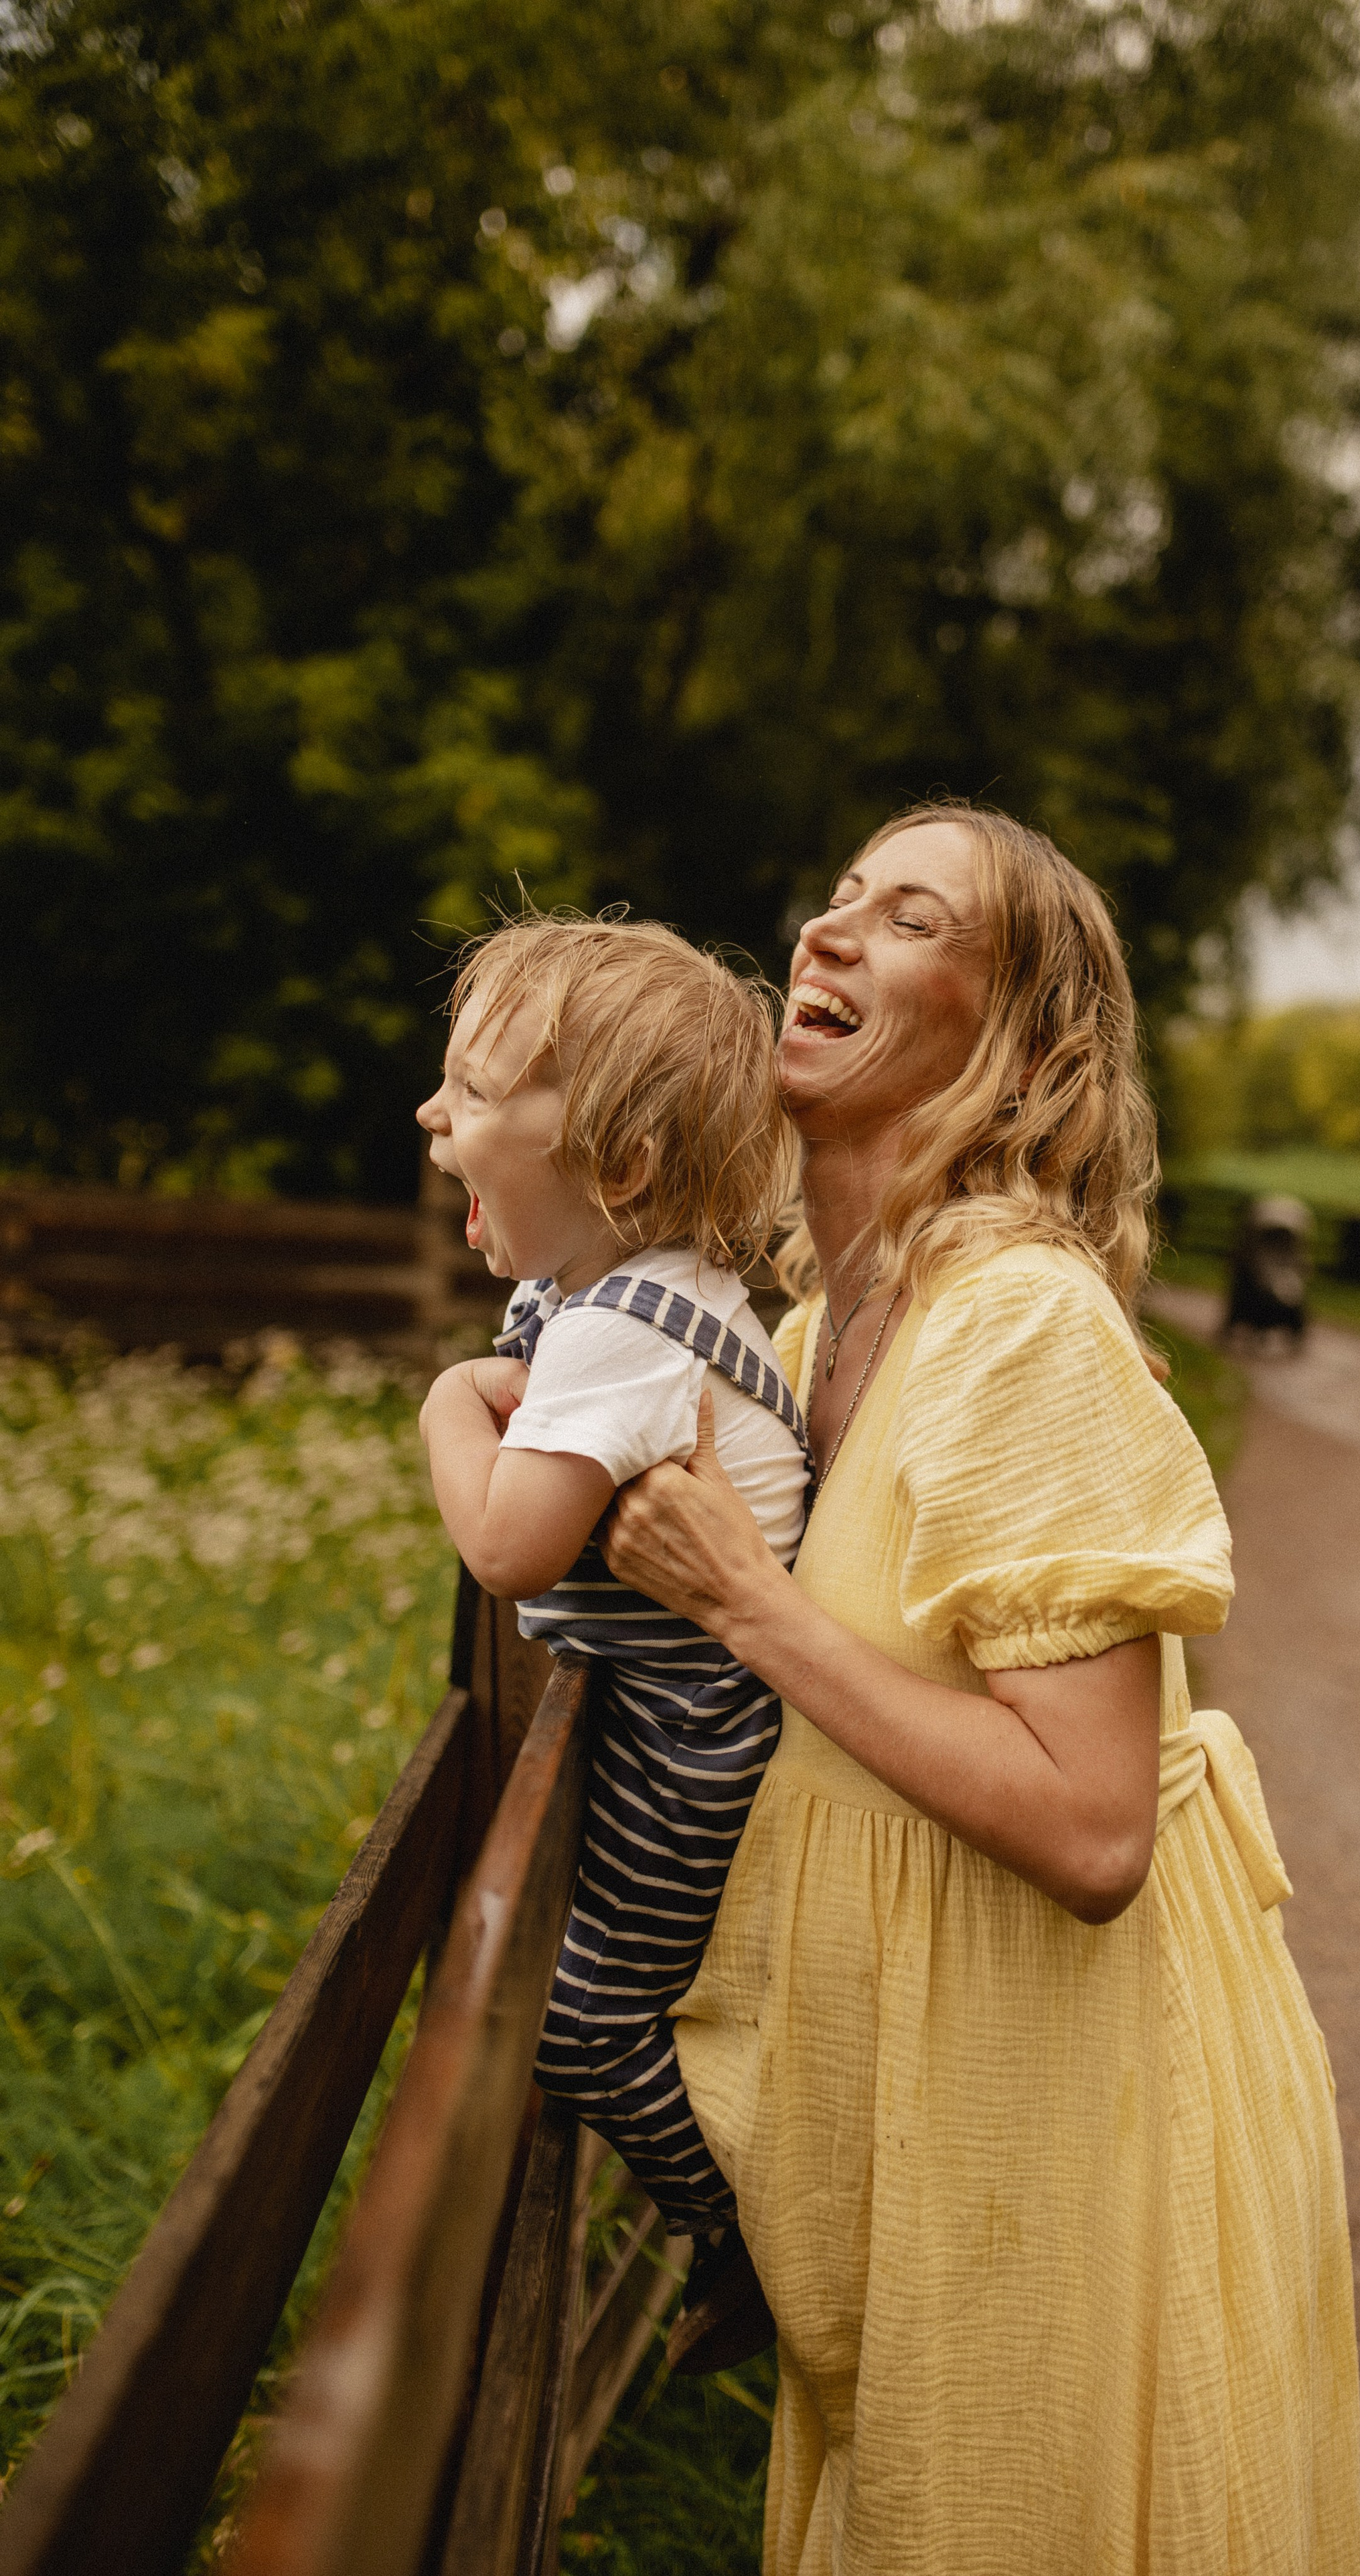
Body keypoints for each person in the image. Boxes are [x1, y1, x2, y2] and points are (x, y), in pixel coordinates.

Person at [599, 805, 1360, 2572]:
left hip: (1071, 2127)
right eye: (838, 899)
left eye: (909, 917)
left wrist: (747, 1607)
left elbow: (1094, 1826)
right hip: (922, 2130)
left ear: (1023, 1046)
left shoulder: (1020, 1331)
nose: (830, 932)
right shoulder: (803, 1343)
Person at [415, 914, 810, 2366]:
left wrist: (447, 1409)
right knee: (576, 1981)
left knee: (581, 2014)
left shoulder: (622, 1335)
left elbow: (510, 1543)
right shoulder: (619, 1300)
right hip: (676, 1710)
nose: (431, 1112)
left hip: (694, 1735)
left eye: (469, 1086)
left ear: (620, 1170)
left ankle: (741, 2239)